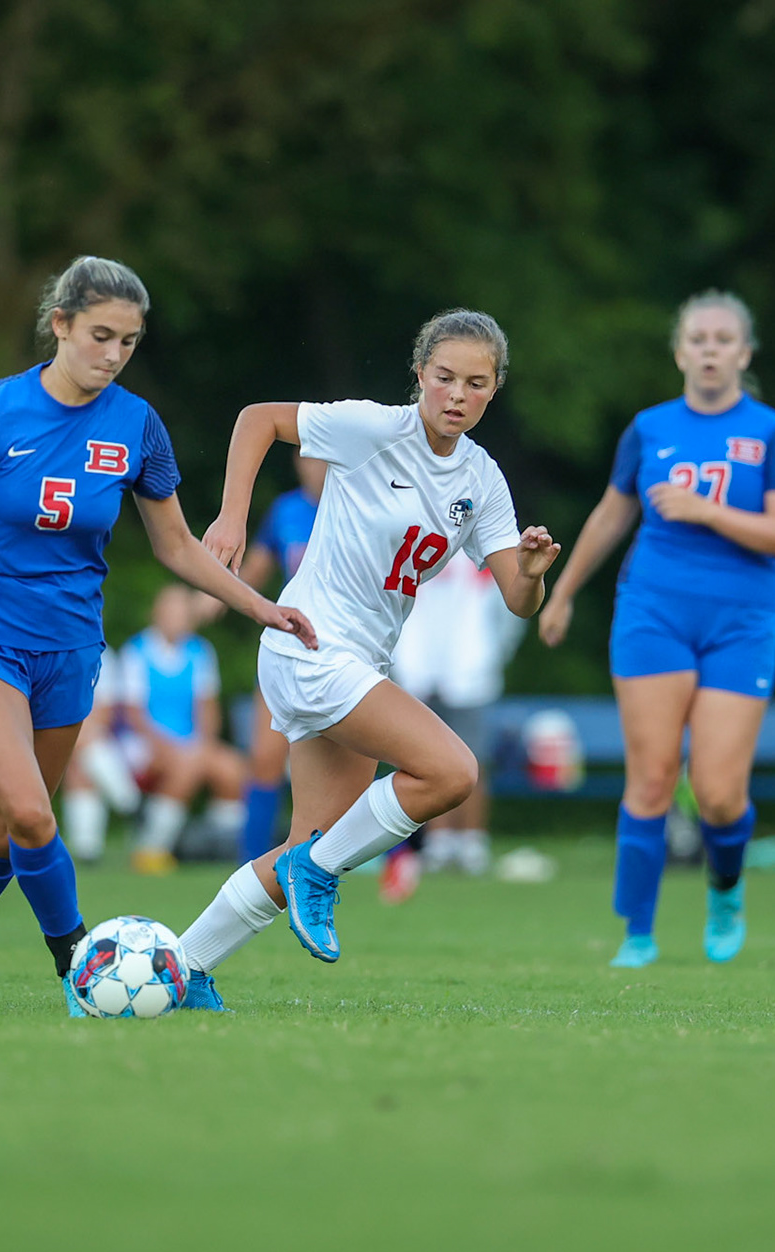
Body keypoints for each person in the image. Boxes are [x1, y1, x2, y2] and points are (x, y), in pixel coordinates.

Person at [0, 254, 315, 1015]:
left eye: (130, 342)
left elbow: (176, 547)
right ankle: (80, 966)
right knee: (35, 811)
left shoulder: (139, 426)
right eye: (100, 336)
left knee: (12, 820)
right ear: (60, 325)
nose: (113, 356)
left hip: (71, 647)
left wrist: (257, 605)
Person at [175, 309, 559, 1010]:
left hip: (357, 664)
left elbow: (517, 601)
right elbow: (258, 418)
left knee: (310, 841)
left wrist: (531, 572)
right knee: (450, 771)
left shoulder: (482, 479)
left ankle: (178, 968)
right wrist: (233, 517)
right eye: (444, 377)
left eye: (475, 383)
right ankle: (313, 873)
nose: (457, 394)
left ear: (493, 390)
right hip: (311, 646)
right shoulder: (375, 429)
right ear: (420, 376)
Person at [537, 290, 775, 968]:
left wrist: (705, 511)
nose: (711, 350)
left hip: (741, 620)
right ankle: (638, 933)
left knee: (718, 792)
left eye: (724, 339)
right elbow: (610, 516)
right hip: (653, 610)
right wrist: (562, 592)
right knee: (652, 778)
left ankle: (725, 890)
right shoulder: (649, 428)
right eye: (698, 338)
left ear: (744, 354)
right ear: (680, 351)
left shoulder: (771, 432)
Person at [390, 554, 528, 877]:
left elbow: (511, 606)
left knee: (474, 759)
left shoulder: (481, 552)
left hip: (469, 668)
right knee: (426, 762)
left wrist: (493, 656)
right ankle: (439, 842)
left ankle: (472, 841)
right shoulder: (413, 546)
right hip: (418, 668)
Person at [235, 452, 324, 863]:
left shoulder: (357, 505)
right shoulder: (286, 510)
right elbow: (257, 567)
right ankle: (251, 861)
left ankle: (337, 858)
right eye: (307, 459)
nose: (315, 467)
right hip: (287, 649)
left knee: (337, 767)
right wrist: (218, 593)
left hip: (341, 652)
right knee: (266, 758)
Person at [119, 584, 245, 874]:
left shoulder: (200, 651)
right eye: (170, 611)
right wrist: (178, 749)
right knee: (186, 766)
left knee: (232, 769)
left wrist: (204, 744)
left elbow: (207, 709)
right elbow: (135, 717)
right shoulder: (136, 651)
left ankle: (219, 847)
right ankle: (152, 848)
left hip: (190, 744)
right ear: (157, 614)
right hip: (144, 744)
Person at [58, 646, 141, 862]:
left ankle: (87, 849)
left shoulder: (105, 656)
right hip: (53, 731)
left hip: (93, 734)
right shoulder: (51, 649)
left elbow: (105, 712)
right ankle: (128, 801)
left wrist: (81, 734)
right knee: (87, 752)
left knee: (82, 761)